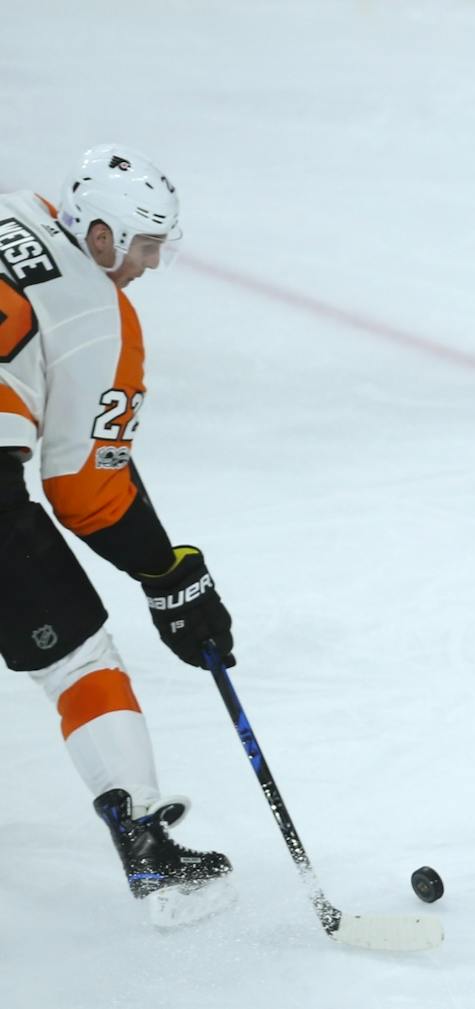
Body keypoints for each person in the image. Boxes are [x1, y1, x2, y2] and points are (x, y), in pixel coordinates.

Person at [1, 145, 236, 915]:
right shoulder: (97, 313)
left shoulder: (9, 209)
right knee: (78, 664)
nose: (151, 264)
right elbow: (87, 489)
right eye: (143, 245)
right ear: (98, 235)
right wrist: (168, 574)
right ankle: (148, 849)